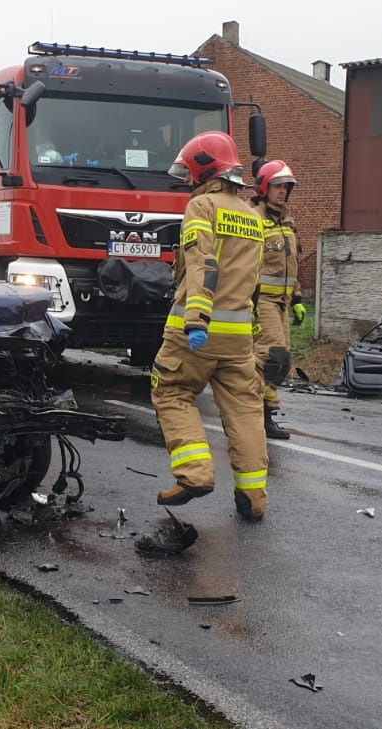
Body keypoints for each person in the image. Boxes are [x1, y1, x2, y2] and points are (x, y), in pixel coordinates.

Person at [151, 131, 270, 524]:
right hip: (239, 337)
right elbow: (252, 278)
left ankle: (195, 475)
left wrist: (196, 319)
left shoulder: (202, 206)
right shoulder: (253, 215)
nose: (187, 180)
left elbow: (202, 262)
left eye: (190, 172)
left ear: (205, 169)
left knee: (171, 390)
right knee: (246, 411)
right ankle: (253, 497)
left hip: (196, 332)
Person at [251, 160, 306, 440]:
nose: (282, 191)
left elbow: (291, 264)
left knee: (281, 362)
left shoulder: (288, 222)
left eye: (286, 187)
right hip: (261, 300)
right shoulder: (253, 219)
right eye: (277, 186)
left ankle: (266, 414)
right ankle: (252, 415)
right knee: (270, 358)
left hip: (283, 302)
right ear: (264, 187)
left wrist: (297, 298)